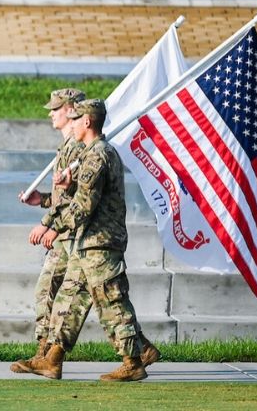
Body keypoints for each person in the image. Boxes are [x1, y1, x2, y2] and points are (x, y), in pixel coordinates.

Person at [28, 98, 159, 382]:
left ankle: (133, 361)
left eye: (75, 119)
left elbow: (83, 206)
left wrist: (52, 225)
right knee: (68, 301)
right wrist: (67, 188)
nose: (71, 124)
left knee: (111, 303)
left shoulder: (98, 155)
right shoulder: (92, 154)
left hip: (100, 243)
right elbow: (83, 198)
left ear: (87, 122)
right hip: (87, 243)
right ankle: (51, 360)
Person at [10, 88, 92, 373]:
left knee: (62, 294)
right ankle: (44, 355)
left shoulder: (79, 149)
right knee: (57, 292)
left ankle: (47, 356)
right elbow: (62, 197)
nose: (50, 113)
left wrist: (49, 226)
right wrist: (42, 200)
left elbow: (78, 200)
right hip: (65, 233)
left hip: (74, 235)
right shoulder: (68, 147)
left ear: (71, 109)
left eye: (55, 108)